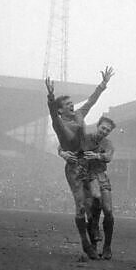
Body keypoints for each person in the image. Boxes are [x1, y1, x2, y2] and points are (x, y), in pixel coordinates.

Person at [46, 66, 114, 259]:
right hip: (74, 166)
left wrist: (102, 85)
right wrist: (51, 97)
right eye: (67, 104)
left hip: (86, 163)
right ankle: (86, 242)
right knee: (81, 206)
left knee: (96, 198)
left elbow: (91, 101)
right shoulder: (59, 123)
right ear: (60, 109)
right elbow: (52, 113)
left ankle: (94, 229)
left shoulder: (78, 115)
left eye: (71, 103)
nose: (71, 105)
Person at [59, 116, 117, 259]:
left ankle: (107, 247)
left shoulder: (108, 144)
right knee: (92, 207)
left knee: (108, 210)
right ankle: (93, 241)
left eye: (107, 130)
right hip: (86, 176)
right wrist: (64, 154)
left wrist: (97, 156)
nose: (104, 131)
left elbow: (109, 157)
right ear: (98, 126)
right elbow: (63, 146)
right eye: (103, 128)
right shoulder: (84, 138)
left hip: (101, 176)